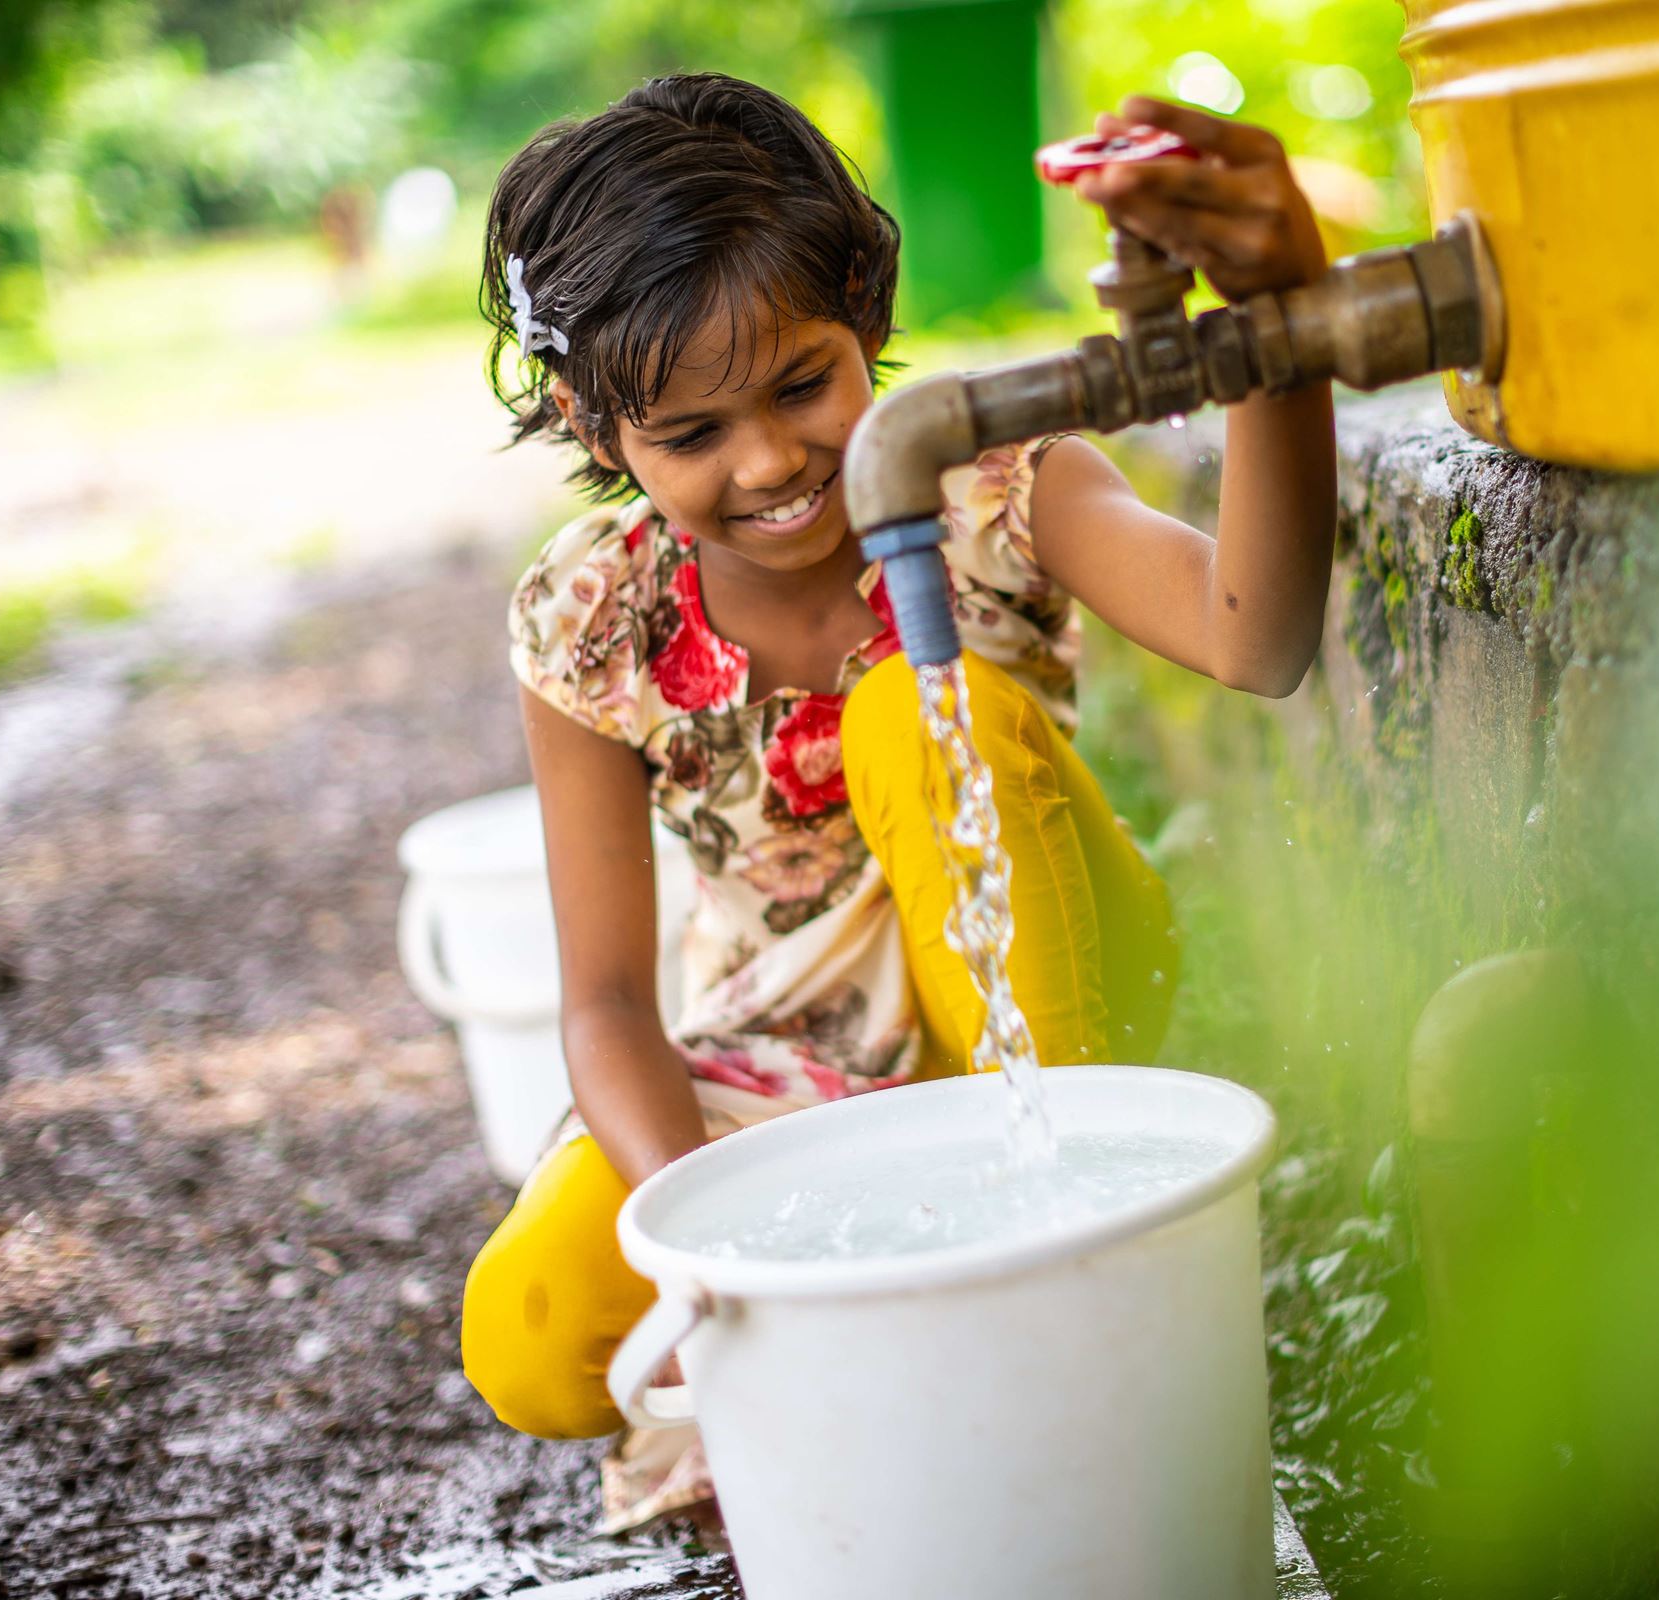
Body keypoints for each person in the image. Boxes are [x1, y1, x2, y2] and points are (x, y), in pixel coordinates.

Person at [459, 71, 1337, 1525]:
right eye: (691, 433)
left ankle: (1065, 1263)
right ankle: (859, 1332)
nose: (769, 462)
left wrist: (1277, 334)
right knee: (533, 1332)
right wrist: (717, 1243)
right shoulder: (591, 618)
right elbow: (607, 1006)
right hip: (786, 1064)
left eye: (801, 386)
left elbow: (1260, 638)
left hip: (1052, 1007)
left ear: (862, 311)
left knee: (909, 709)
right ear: (596, 426)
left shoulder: (994, 491)